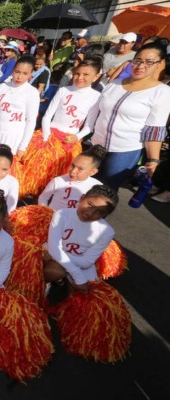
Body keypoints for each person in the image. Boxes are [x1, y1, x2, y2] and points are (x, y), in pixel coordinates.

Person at [91, 42, 170, 190]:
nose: (141, 66)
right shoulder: (115, 83)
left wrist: (153, 160)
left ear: (159, 64)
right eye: (138, 60)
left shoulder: (162, 91)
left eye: (149, 62)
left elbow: (154, 129)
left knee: (103, 192)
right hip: (96, 145)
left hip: (124, 151)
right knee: (84, 185)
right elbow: (95, 111)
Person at [43, 184, 118, 294]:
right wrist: (77, 276)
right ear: (82, 198)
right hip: (53, 256)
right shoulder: (62, 214)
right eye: (90, 205)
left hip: (77, 262)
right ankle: (44, 284)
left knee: (89, 295)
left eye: (99, 212)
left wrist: (65, 261)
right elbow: (54, 249)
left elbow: (87, 262)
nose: (90, 213)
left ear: (105, 215)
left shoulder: (107, 231)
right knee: (55, 272)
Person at [0, 55, 40, 167]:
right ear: (13, 70)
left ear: (31, 75)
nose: (19, 76)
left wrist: (23, 146)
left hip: (14, 139)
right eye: (17, 71)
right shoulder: (2, 87)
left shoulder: (32, 92)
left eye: (25, 73)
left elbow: (31, 121)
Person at [39, 145, 105, 211]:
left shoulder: (97, 187)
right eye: (73, 165)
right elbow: (43, 197)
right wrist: (46, 212)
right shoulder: (58, 181)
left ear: (93, 172)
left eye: (80, 169)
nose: (73, 171)